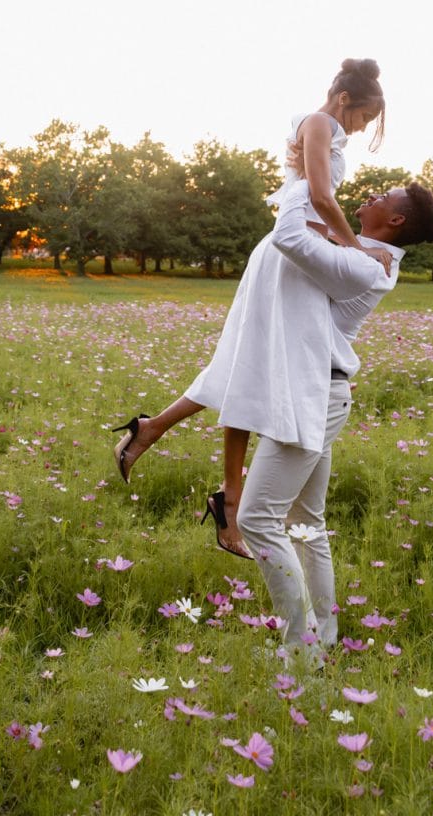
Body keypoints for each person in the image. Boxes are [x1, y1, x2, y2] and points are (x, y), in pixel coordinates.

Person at [113, 59, 389, 556]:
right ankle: (226, 495)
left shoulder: (318, 127)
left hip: (293, 255)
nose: (361, 128)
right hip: (289, 257)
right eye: (364, 117)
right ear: (346, 99)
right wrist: (355, 247)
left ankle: (167, 443)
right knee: (249, 367)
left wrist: (338, 241)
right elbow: (322, 199)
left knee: (245, 365)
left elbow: (313, 204)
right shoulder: (321, 124)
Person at [234, 178, 433, 660]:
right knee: (307, 523)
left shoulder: (362, 262)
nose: (368, 197)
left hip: (314, 396)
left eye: (381, 198)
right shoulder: (357, 251)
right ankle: (320, 642)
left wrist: (304, 183)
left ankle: (300, 654)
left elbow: (289, 235)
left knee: (256, 519)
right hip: (321, 392)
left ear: (395, 221)